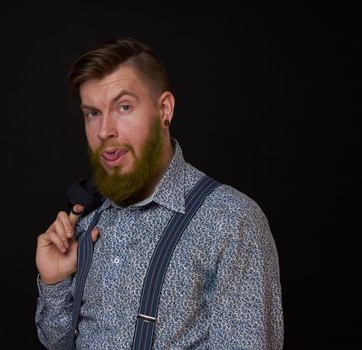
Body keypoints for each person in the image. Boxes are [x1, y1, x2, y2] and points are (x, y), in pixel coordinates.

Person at [35, 37, 284, 349]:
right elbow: (58, 342)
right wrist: (54, 281)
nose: (104, 131)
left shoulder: (231, 222)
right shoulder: (88, 222)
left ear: (164, 109)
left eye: (123, 107)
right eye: (92, 113)